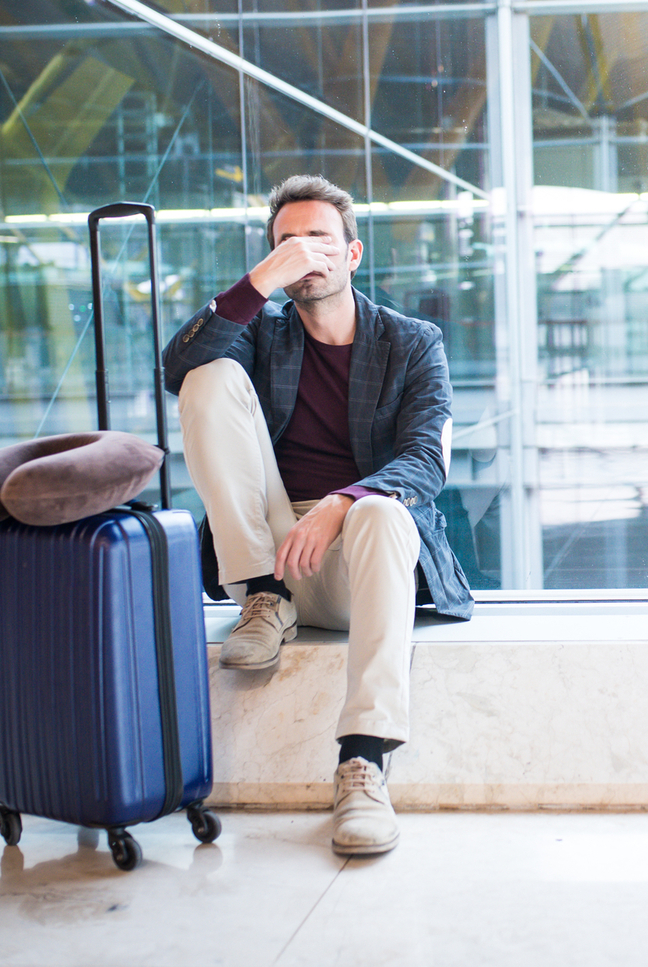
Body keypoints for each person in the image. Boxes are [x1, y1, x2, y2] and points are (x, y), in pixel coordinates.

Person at [162, 175, 473, 856]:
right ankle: (266, 600)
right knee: (207, 375)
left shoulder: (414, 342)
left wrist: (341, 502)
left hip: (361, 561)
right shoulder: (261, 336)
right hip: (268, 558)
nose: (305, 253)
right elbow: (177, 364)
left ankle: (362, 763)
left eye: (319, 240)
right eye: (287, 243)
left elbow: (427, 459)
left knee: (387, 514)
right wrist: (262, 280)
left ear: (353, 254)